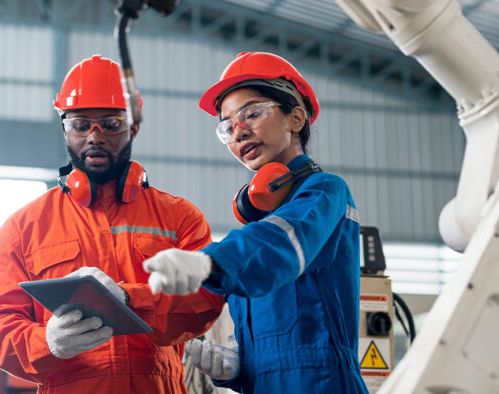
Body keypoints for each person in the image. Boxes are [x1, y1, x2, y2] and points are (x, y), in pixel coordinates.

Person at [0, 54, 224, 394]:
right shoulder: (24, 227)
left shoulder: (179, 218)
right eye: (80, 125)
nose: (95, 136)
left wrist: (128, 300)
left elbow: (205, 299)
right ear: (64, 128)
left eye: (111, 123)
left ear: (133, 127)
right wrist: (47, 343)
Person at [143, 51, 368, 393]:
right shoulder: (255, 233)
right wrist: (235, 369)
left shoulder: (325, 194)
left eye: (252, 113)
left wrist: (210, 260)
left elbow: (283, 246)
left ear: (296, 118)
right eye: (228, 125)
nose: (239, 131)